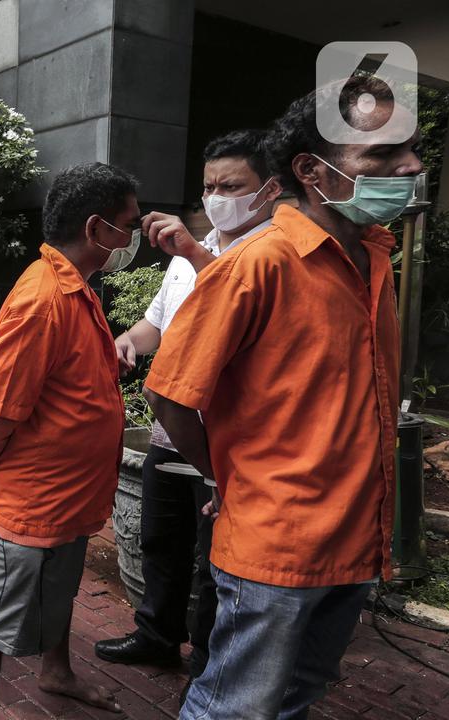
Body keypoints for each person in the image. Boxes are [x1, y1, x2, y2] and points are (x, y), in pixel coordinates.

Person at [147, 77, 415, 719]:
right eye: (379, 155)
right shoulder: (258, 264)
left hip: (353, 543)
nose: (408, 167)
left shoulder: (375, 259)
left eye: (409, 150)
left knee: (298, 695)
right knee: (233, 709)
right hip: (275, 549)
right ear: (311, 171)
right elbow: (172, 396)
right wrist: (226, 475)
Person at [94, 130, 282, 685]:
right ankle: (156, 636)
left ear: (270, 189)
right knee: (160, 543)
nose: (216, 196)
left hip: (225, 447)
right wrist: (128, 342)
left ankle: (207, 667)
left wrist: (197, 253)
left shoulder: (271, 253)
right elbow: (158, 322)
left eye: (232, 185)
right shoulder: (189, 256)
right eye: (209, 186)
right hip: (170, 434)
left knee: (214, 566)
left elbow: (234, 303)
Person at [0, 162, 140, 717]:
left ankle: (56, 672)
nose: (133, 236)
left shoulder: (75, 287)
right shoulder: (43, 298)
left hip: (74, 493)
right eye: (127, 224)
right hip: (39, 497)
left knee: (59, 588)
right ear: (96, 230)